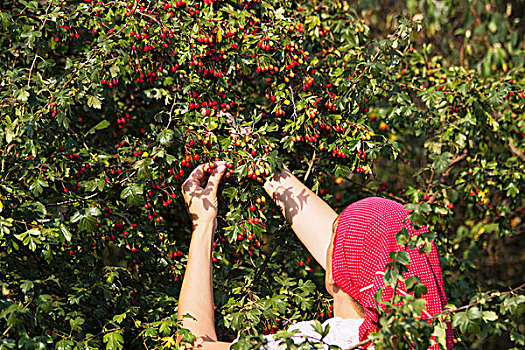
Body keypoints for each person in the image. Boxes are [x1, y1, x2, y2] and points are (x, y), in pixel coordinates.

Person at [177, 161, 453, 349]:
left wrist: (203, 224)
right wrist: (260, 160)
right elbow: (358, 256)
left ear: (334, 276)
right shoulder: (421, 336)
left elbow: (191, 346)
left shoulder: (319, 343)